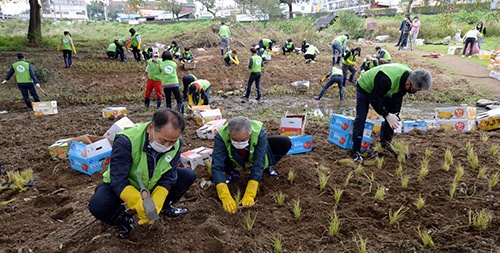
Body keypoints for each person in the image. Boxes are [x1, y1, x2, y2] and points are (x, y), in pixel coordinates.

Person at [88, 109, 197, 239]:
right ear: (150, 128)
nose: (167, 145)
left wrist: (159, 199)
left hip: (153, 182)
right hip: (129, 184)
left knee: (188, 176)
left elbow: (169, 175)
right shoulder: (126, 141)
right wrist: (137, 201)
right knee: (99, 205)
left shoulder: (177, 143)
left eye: (172, 141)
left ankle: (164, 207)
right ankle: (122, 219)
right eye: (163, 141)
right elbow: (118, 179)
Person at [350, 64, 432, 162]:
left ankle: (385, 145)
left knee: (393, 115)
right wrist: (387, 114)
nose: (416, 92)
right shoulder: (386, 78)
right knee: (361, 118)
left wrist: (395, 114)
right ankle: (355, 151)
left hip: (382, 90)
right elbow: (374, 100)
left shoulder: (409, 77)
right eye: (416, 90)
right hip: (365, 87)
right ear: (408, 83)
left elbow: (398, 97)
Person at [211, 116, 291, 214]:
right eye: (235, 139)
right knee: (219, 156)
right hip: (232, 154)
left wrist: (250, 193)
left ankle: (267, 168)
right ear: (229, 134)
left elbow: (259, 161)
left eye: (243, 139)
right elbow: (217, 166)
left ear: (250, 133)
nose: (239, 143)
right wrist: (225, 196)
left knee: (284, 142)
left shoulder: (259, 132)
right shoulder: (221, 135)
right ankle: (231, 172)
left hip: (252, 153)